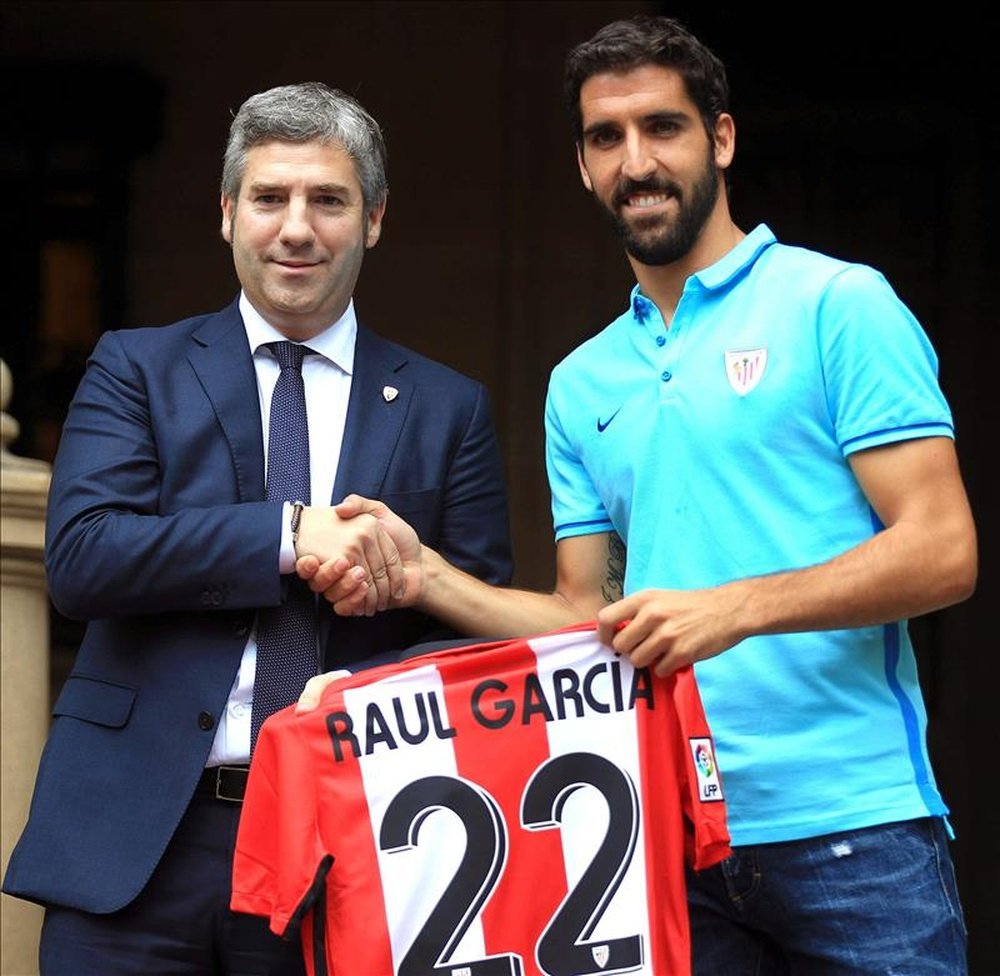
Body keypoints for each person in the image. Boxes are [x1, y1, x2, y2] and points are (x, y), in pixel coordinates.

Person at [298, 16, 978, 974]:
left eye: (663, 127)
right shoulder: (581, 381)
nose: (637, 161)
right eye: (607, 139)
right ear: (582, 166)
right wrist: (426, 577)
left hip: (854, 832)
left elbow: (944, 549)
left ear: (722, 139)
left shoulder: (838, 304)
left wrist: (733, 609)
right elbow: (584, 615)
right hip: (668, 829)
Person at [2, 81, 513, 974]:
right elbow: (83, 558)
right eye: (270, 198)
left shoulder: (447, 406)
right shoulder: (136, 366)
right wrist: (289, 533)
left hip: (344, 837)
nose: (296, 228)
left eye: (329, 200)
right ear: (229, 212)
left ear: (376, 219)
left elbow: (473, 628)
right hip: (138, 845)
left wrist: (364, 690)